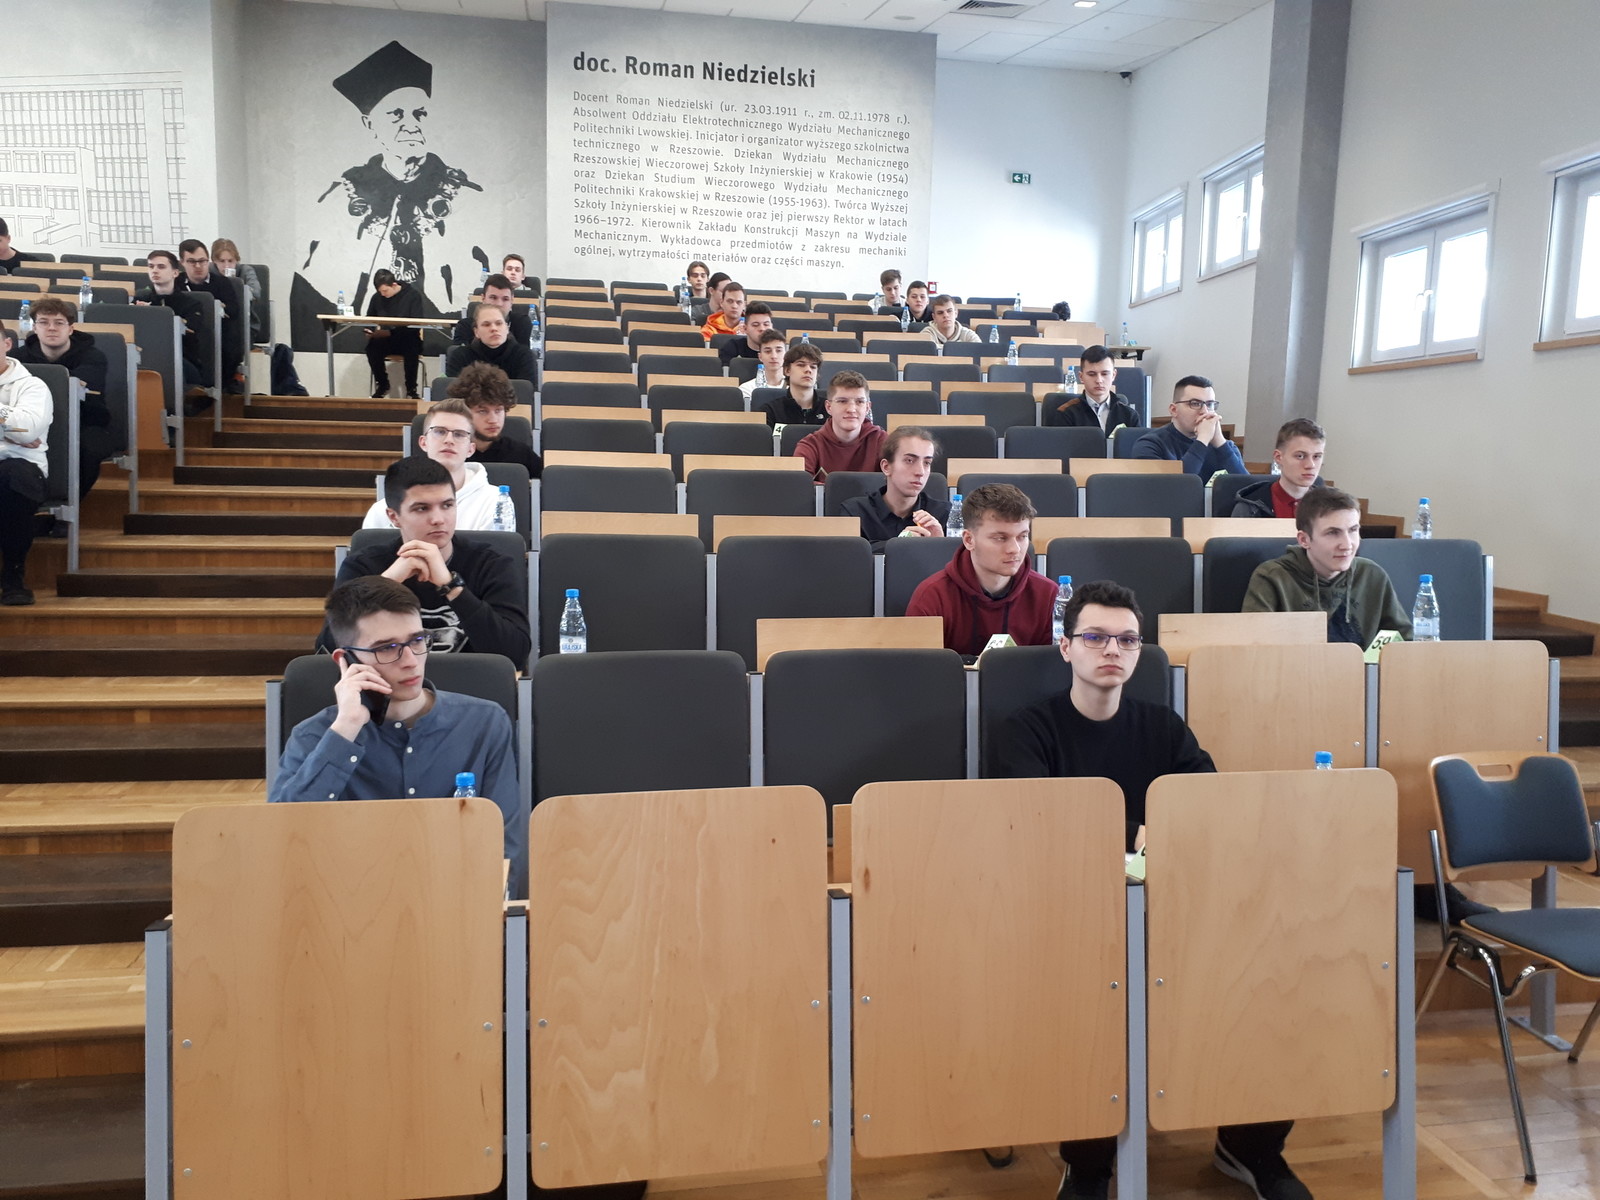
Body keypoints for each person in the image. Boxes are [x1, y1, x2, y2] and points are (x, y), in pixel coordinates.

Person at [991, 579, 1310, 1200]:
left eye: (1128, 640)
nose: (1112, 649)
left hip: (1172, 904)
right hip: (1071, 913)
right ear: (1066, 648)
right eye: (1096, 637)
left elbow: (1207, 806)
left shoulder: (1163, 726)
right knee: (1086, 996)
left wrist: (1156, 834)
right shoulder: (1027, 729)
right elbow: (1033, 826)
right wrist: (1129, 836)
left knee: (1269, 966)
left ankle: (1250, 1146)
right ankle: (1089, 1163)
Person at [271, 575, 526, 898]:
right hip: (348, 906)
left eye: (417, 641)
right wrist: (347, 728)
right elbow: (282, 840)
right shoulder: (316, 736)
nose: (410, 661)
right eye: (387, 648)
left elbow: (504, 843)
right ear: (346, 660)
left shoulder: (484, 723)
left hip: (459, 903)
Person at [322, 456, 530, 664]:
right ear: (394, 517)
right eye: (422, 508)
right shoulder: (363, 566)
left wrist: (452, 587)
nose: (438, 519)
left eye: (447, 505)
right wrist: (384, 584)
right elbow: (328, 650)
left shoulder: (491, 564)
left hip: (472, 680)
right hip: (387, 682)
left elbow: (515, 654)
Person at [1242, 486, 1412, 647]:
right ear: (1304, 540)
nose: (1347, 545)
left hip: (1361, 668)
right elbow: (1256, 650)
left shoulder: (1371, 574)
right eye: (1332, 533)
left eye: (1353, 530)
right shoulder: (1272, 577)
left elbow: (1403, 643)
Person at [905, 483, 1055, 658]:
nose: (1015, 549)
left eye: (1022, 537)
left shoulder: (1049, 595)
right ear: (969, 540)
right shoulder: (932, 596)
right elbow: (919, 669)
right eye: (1000, 538)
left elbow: (1054, 668)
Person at [10, 298, 116, 497]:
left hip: (85, 422)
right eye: (44, 322)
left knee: (91, 449)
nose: (51, 328)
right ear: (34, 327)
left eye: (59, 323)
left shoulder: (93, 356)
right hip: (31, 422)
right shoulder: (17, 358)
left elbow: (73, 388)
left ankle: (68, 502)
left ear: (70, 329)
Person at [362, 399, 501, 530]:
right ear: (423, 442)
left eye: (459, 434)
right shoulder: (384, 511)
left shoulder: (495, 503)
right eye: (440, 432)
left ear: (471, 449)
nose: (449, 440)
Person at [0, 323, 52, 606]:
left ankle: (13, 574)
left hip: (22, 471)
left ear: (7, 344)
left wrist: (17, 433)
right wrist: (9, 433)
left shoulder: (32, 386)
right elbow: (18, 432)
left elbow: (27, 430)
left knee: (14, 478)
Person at [841, 425, 949, 551]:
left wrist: (940, 546)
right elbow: (849, 555)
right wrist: (899, 545)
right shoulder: (855, 512)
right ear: (886, 467)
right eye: (909, 460)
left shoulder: (944, 513)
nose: (920, 472)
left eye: (927, 463)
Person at [1132, 375, 1247, 476]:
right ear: (1174, 410)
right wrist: (1202, 439)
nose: (1204, 411)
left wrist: (1220, 443)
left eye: (1210, 404)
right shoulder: (1150, 445)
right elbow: (1179, 486)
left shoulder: (1225, 446)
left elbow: (1247, 488)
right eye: (1195, 404)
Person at [133, 250, 207, 400]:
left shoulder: (191, 304)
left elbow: (190, 333)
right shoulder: (140, 299)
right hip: (146, 355)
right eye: (151, 266)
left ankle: (175, 408)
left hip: (183, 359)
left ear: (175, 273)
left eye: (161, 267)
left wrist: (156, 314)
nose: (154, 270)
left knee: (168, 362)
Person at [448, 362, 541, 477]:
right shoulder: (448, 452)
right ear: (463, 412)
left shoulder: (521, 454)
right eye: (482, 411)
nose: (493, 420)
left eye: (498, 410)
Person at [793, 371, 886, 481]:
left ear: (867, 407)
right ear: (829, 407)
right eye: (842, 401)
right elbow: (800, 486)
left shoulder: (882, 441)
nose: (851, 409)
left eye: (859, 402)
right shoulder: (810, 446)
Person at [178, 238, 243, 394]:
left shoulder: (222, 283)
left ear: (208, 261)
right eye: (192, 261)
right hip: (185, 338)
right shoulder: (176, 283)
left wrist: (220, 308)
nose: (198, 266)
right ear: (182, 263)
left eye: (202, 261)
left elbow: (233, 310)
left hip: (215, 336)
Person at [1232, 418, 1326, 518]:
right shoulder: (1249, 509)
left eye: (1317, 456)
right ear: (1278, 457)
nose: (1311, 465)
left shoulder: (1330, 506)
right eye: (1300, 456)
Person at [1044, 345, 1142, 432]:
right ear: (1081, 377)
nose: (1099, 380)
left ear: (1113, 375)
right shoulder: (1066, 414)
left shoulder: (1129, 415)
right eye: (1092, 374)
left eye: (1105, 374)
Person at [445, 301, 537, 385]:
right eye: (486, 324)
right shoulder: (460, 356)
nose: (494, 328)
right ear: (476, 332)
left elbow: (525, 393)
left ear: (507, 328)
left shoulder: (524, 355)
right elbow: (454, 393)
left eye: (499, 323)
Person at [755, 342, 825, 428]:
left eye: (813, 367)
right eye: (801, 365)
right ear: (787, 370)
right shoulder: (770, 411)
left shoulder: (830, 410)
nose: (808, 370)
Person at [451, 274, 532, 347]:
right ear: (483, 298)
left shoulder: (521, 323)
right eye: (493, 298)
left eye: (505, 299)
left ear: (512, 301)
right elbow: (459, 356)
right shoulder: (465, 326)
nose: (499, 304)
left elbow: (523, 356)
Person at [210, 238, 265, 345]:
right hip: (215, 325)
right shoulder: (209, 273)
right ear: (214, 261)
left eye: (230, 261)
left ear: (236, 260)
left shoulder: (245, 271)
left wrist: (235, 285)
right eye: (222, 261)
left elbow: (256, 292)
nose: (226, 266)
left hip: (244, 325)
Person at [717, 301, 774, 365]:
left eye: (766, 324)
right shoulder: (732, 348)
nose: (762, 329)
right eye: (755, 325)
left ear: (772, 327)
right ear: (745, 328)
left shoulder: (778, 351)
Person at [739, 329, 789, 400]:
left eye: (778, 351)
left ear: (786, 355)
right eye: (768, 351)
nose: (774, 356)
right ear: (760, 356)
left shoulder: (796, 388)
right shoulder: (747, 389)